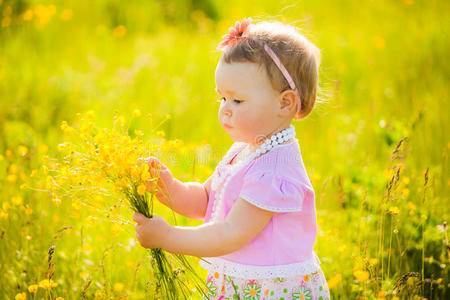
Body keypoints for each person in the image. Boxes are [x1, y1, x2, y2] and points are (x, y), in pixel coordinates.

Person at [133, 17, 330, 300]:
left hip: (270, 290)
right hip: (242, 284)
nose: (225, 110)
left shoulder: (273, 171)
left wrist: (168, 238)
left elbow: (230, 232)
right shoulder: (246, 149)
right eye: (221, 98)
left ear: (284, 103)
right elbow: (205, 200)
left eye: (237, 101)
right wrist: (169, 186)